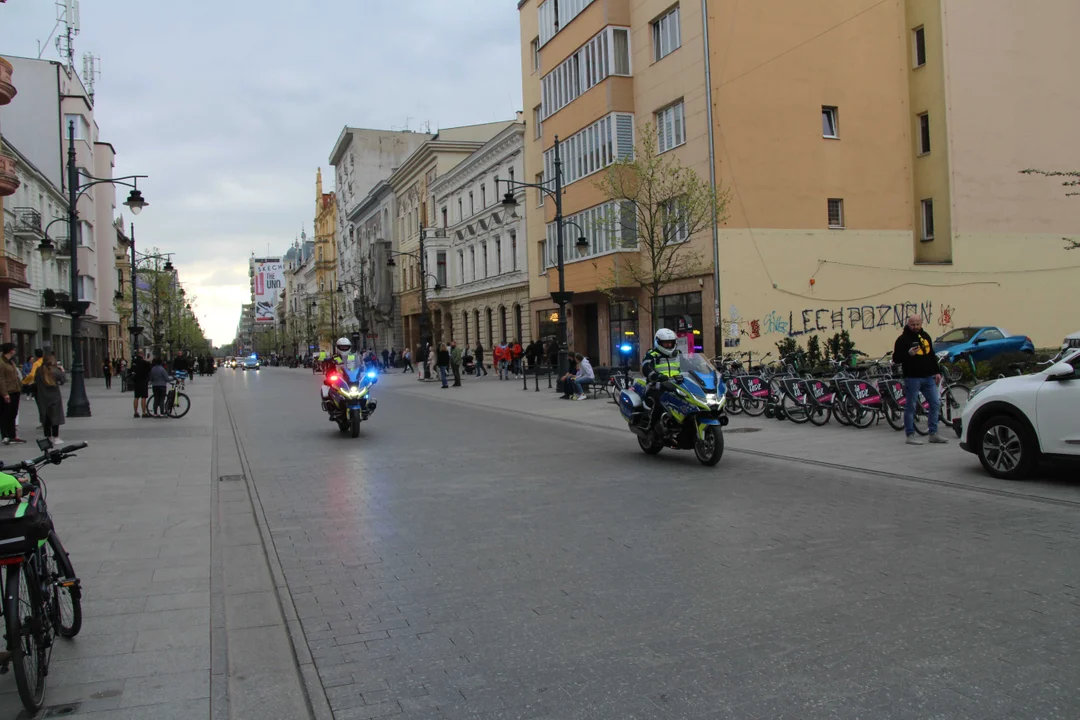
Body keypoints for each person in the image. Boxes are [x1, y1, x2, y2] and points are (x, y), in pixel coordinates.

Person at [893, 314, 947, 446]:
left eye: (918, 324)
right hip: (912, 377)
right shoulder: (902, 339)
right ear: (908, 324)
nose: (916, 327)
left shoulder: (925, 336)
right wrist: (908, 354)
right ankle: (910, 435)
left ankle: (933, 433)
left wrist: (937, 371)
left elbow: (931, 355)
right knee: (910, 407)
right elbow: (896, 359)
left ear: (921, 323)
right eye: (913, 324)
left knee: (935, 403)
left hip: (928, 376)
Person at [641, 328, 684, 427]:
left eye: (671, 343)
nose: (669, 345)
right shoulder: (652, 354)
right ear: (658, 342)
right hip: (656, 386)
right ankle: (651, 427)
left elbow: (691, 366)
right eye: (666, 343)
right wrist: (656, 376)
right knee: (660, 402)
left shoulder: (678, 354)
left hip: (676, 385)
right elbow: (646, 368)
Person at [33, 354, 66, 444]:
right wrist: (62, 371)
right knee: (55, 417)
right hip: (54, 397)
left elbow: (35, 380)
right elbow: (62, 381)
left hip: (42, 397)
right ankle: (56, 437)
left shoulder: (39, 370)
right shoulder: (55, 371)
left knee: (46, 417)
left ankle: (48, 436)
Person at [0, 343, 26, 445]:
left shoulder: (11, 362)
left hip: (15, 390)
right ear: (10, 350)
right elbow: (1, 379)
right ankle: (5, 435)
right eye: (13, 349)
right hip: (7, 392)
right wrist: (4, 393)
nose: (15, 351)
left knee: (13, 413)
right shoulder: (2, 363)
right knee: (5, 414)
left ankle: (12, 435)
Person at [131, 350, 152, 418]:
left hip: (136, 381)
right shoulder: (144, 362)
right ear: (142, 354)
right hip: (143, 380)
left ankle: (135, 412)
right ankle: (144, 412)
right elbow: (150, 368)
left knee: (136, 397)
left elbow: (132, 370)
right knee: (143, 397)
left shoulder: (134, 361)